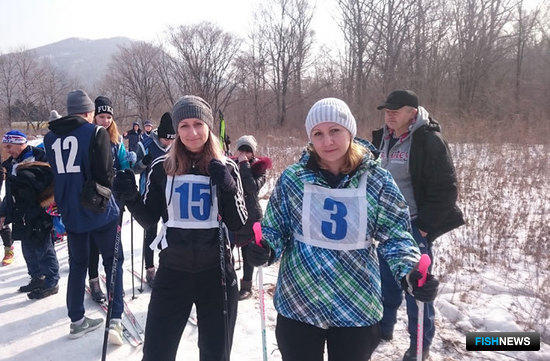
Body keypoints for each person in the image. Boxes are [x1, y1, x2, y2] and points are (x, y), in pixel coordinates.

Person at [246, 98, 439, 361]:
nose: (327, 142)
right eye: (318, 134)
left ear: (350, 131)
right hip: (299, 303)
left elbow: (396, 236)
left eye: (335, 131)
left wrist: (409, 271)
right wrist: (265, 248)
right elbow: (275, 229)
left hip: (355, 306)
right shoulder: (294, 178)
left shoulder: (377, 179)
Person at [113, 95, 248, 361]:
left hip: (217, 274)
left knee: (215, 354)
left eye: (198, 123)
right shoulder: (162, 166)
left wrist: (228, 187)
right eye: (184, 125)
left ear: (209, 127)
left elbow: (238, 223)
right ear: (176, 130)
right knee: (156, 353)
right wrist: (130, 198)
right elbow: (149, 219)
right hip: (173, 273)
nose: (192, 132)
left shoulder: (226, 165)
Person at [372, 90, 464, 360]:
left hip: (413, 225)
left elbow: (447, 189)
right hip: (385, 224)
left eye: (395, 110)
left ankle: (420, 345)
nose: (389, 114)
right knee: (386, 281)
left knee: (417, 289)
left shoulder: (428, 141)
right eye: (386, 110)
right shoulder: (383, 137)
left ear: (413, 112)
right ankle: (384, 328)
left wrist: (424, 227)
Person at [44, 89, 125, 343]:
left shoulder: (49, 138)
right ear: (89, 112)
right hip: (99, 210)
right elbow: (105, 174)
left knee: (78, 265)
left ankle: (77, 319)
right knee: (113, 261)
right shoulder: (96, 132)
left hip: (70, 210)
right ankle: (116, 319)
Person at [0, 130, 60, 297]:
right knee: (28, 249)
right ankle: (36, 278)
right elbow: (9, 192)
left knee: (44, 248)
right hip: (21, 213)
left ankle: (51, 282)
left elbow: (55, 182)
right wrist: (3, 212)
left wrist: (50, 203)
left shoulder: (41, 157)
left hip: (40, 213)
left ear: (20, 143)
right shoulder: (10, 164)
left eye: (9, 146)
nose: (7, 150)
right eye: (5, 147)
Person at [84, 95, 130, 303]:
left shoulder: (115, 139)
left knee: (113, 245)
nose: (105, 121)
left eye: (109, 117)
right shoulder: (89, 137)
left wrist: (129, 167)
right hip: (94, 197)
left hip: (113, 197)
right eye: (101, 116)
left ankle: (113, 281)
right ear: (94, 117)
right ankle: (94, 280)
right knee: (93, 243)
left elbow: (123, 164)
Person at [132, 111, 176, 285]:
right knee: (150, 231)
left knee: (170, 230)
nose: (169, 143)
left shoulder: (176, 145)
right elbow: (134, 168)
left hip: (170, 194)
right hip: (149, 193)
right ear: (160, 135)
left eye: (172, 139)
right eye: (166, 139)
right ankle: (150, 269)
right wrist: (144, 162)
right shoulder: (146, 144)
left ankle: (168, 265)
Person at [230, 135, 271, 300]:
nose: (244, 153)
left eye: (248, 150)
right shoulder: (230, 165)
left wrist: (245, 165)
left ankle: (247, 285)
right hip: (233, 214)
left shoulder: (260, 168)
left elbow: (251, 187)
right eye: (242, 149)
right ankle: (228, 281)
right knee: (227, 249)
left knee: (249, 253)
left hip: (251, 216)